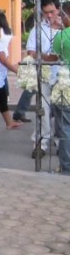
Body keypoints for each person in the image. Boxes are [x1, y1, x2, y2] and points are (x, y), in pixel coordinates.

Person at [26, 0, 63, 159]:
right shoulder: (38, 29)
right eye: (45, 12)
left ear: (58, 10)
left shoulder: (65, 28)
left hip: (63, 76)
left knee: (62, 112)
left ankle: (62, 143)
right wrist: (46, 57)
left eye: (52, 11)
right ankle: (41, 143)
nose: (49, 15)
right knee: (43, 111)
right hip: (45, 75)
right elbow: (31, 51)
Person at [52, 24, 70, 175]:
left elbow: (55, 56)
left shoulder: (62, 36)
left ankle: (66, 166)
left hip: (65, 84)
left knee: (65, 127)